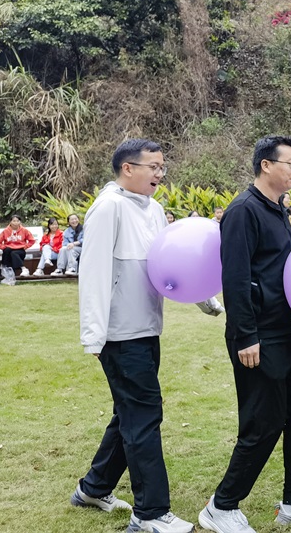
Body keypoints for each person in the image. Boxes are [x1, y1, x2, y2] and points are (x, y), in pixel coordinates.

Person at [199, 135, 291, 533]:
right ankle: (221, 506)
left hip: (286, 330)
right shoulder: (244, 211)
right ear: (266, 165)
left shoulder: (280, 209)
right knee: (263, 423)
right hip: (257, 334)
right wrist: (245, 335)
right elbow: (236, 277)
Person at [72, 138, 201, 533]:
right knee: (144, 414)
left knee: (128, 413)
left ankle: (93, 488)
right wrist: (94, 336)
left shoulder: (155, 209)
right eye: (154, 167)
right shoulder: (108, 208)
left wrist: (204, 299)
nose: (160, 174)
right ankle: (149, 514)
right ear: (128, 168)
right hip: (119, 335)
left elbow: (170, 265)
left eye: (163, 167)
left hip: (147, 328)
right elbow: (91, 273)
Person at [0, 215, 35, 280]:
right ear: (10, 222)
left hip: (20, 250)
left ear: (20, 222)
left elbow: (32, 240)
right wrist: (3, 247)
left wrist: (25, 246)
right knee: (7, 250)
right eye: (14, 221)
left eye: (17, 221)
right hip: (9, 250)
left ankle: (24, 269)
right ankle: (5, 267)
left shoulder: (24, 230)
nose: (15, 223)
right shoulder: (5, 231)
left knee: (14, 254)